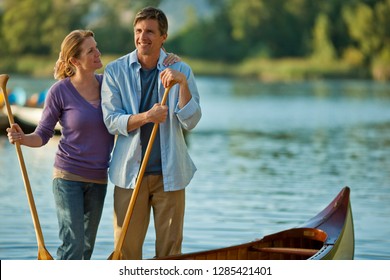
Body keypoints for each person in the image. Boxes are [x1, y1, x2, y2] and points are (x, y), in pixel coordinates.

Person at [6, 29, 180, 260]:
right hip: (68, 177)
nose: (98, 53)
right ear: (75, 60)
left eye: (96, 47)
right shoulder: (59, 91)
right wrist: (22, 139)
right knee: (74, 244)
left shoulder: (107, 84)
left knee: (87, 247)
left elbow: (138, 70)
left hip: (98, 179)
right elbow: (43, 134)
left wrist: (167, 58)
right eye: (91, 50)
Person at [101, 6, 202, 259]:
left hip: (171, 175)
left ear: (163, 37)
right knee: (126, 253)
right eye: (138, 31)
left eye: (149, 31)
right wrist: (148, 116)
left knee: (170, 254)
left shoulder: (181, 70)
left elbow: (190, 121)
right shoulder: (115, 71)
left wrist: (183, 84)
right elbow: (111, 121)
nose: (142, 37)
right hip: (129, 175)